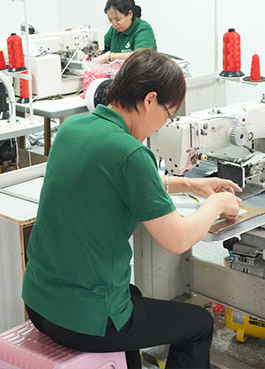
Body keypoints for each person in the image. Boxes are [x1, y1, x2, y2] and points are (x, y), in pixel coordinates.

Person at [22, 49, 242, 369]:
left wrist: (191, 184)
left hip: (38, 303)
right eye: (168, 114)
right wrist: (216, 203)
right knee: (198, 324)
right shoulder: (131, 153)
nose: (163, 125)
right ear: (150, 100)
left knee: (133, 295)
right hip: (83, 321)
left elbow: (117, 182)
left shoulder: (73, 128)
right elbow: (178, 239)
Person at [92, 0, 157, 64]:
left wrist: (110, 57)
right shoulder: (114, 30)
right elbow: (101, 49)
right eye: (110, 20)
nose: (114, 24)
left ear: (130, 14)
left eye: (117, 19)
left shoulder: (143, 28)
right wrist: (91, 54)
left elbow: (141, 56)